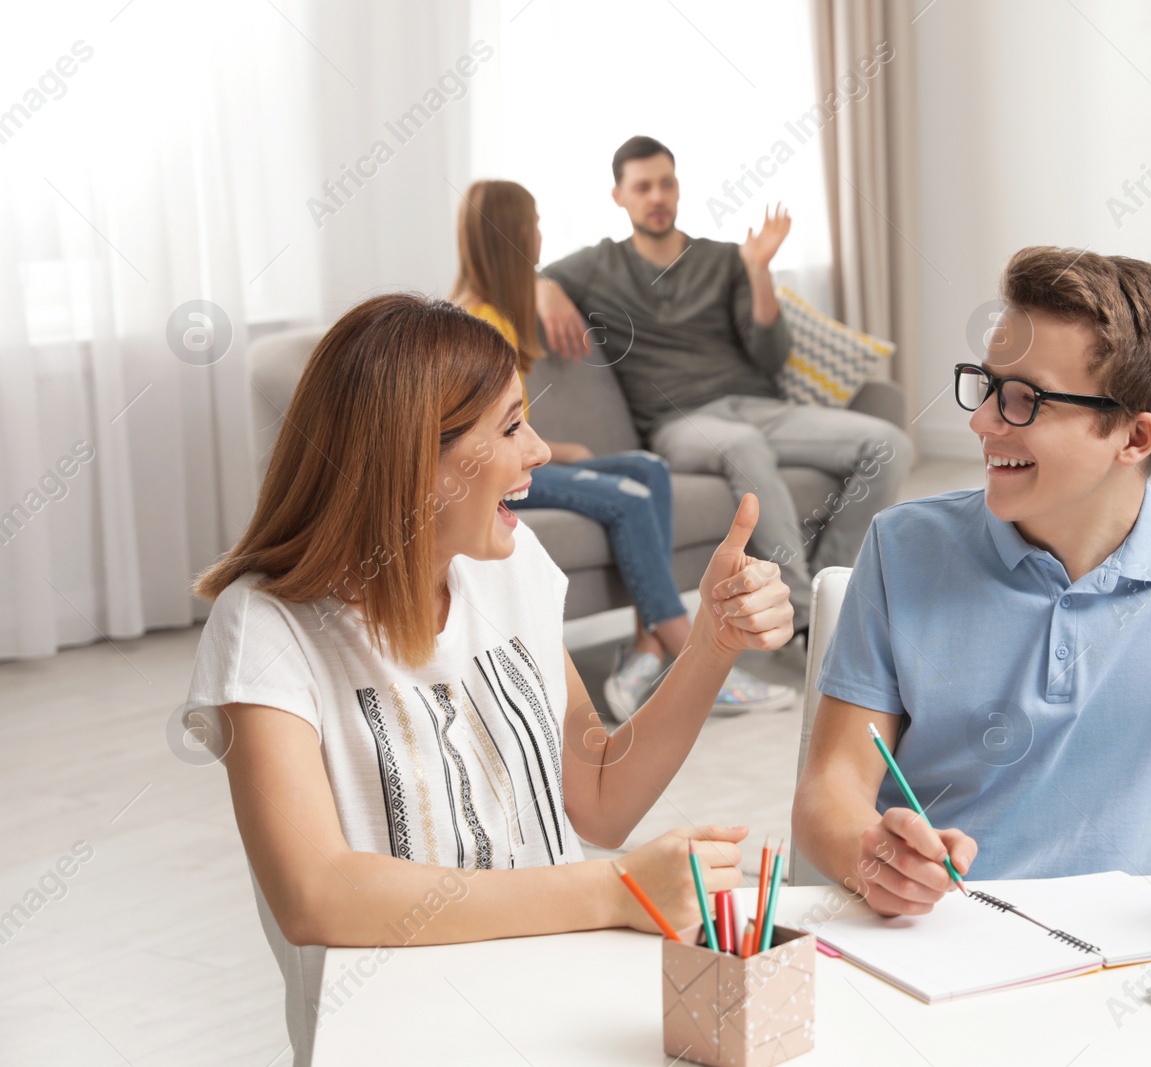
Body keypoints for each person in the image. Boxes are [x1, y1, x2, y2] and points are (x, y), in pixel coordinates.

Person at [186, 294, 792, 1066]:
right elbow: (315, 892)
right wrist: (612, 890)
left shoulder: (510, 570)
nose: (539, 450)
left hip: (561, 1003)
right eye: (510, 427)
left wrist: (710, 641)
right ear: (413, 461)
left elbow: (599, 795)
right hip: (404, 1036)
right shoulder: (265, 628)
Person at [791, 247, 1151, 917]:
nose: (981, 422)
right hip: (937, 936)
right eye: (986, 388)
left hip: (1124, 957)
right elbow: (830, 787)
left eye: (1023, 400)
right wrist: (872, 854)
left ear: (1134, 436)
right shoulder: (903, 547)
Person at [536, 135, 913, 632]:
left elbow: (771, 355)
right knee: (745, 446)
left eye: (665, 184)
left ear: (678, 189)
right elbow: (523, 270)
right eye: (642, 187)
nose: (656, 197)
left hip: (758, 405)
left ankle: (827, 588)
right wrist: (544, 289)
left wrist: (758, 272)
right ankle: (804, 618)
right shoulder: (596, 265)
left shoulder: (723, 259)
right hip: (679, 422)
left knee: (889, 444)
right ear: (619, 197)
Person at [450, 179, 793, 716]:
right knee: (628, 496)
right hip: (497, 478)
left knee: (648, 468)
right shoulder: (478, 321)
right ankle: (686, 652)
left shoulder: (501, 310)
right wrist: (547, 456)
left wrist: (562, 451)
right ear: (515, 232)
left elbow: (507, 427)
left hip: (520, 461)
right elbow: (481, 443)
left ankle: (645, 648)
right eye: (534, 222)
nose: (541, 233)